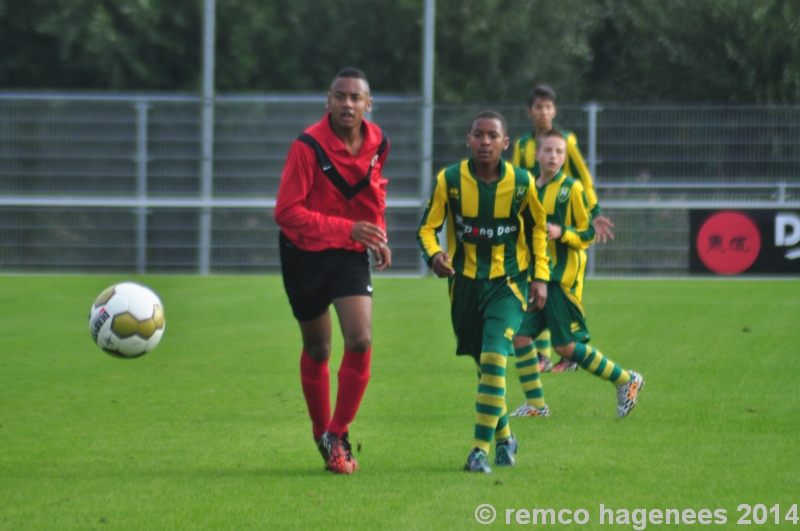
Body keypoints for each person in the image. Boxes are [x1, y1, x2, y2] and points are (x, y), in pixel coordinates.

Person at [417, 111, 550, 473]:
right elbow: (427, 229)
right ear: (468, 140)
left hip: (508, 285)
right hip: (463, 288)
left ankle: (479, 451)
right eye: (479, 134)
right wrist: (434, 256)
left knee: (494, 360)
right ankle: (506, 439)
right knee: (484, 369)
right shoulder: (449, 180)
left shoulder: (522, 183)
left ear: (506, 143)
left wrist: (540, 276)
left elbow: (538, 229)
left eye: (493, 136)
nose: (485, 141)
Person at [274, 67, 392, 475]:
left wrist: (378, 235)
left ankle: (338, 435)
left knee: (359, 338)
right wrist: (349, 228)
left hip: (348, 252)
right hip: (303, 253)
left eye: (355, 97)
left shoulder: (378, 142)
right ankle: (319, 430)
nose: (347, 103)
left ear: (368, 104)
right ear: (328, 100)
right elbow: (286, 213)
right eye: (340, 96)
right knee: (319, 348)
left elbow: (374, 190)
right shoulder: (307, 146)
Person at [510, 129, 643, 420]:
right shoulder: (529, 186)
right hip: (536, 277)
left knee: (565, 346)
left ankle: (625, 379)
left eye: (559, 152)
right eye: (548, 150)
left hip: (562, 279)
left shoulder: (572, 189)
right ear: (537, 155)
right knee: (520, 336)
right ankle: (535, 405)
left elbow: (587, 234)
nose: (553, 156)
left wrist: (562, 232)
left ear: (565, 157)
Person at [512, 84, 615, 374]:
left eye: (548, 107)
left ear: (554, 110)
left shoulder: (569, 167)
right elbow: (516, 180)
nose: (543, 112)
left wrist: (594, 213)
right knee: (524, 324)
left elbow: (584, 179)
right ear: (529, 112)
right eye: (538, 107)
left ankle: (609, 372)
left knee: (563, 329)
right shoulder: (523, 147)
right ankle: (537, 393)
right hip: (538, 234)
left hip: (565, 228)